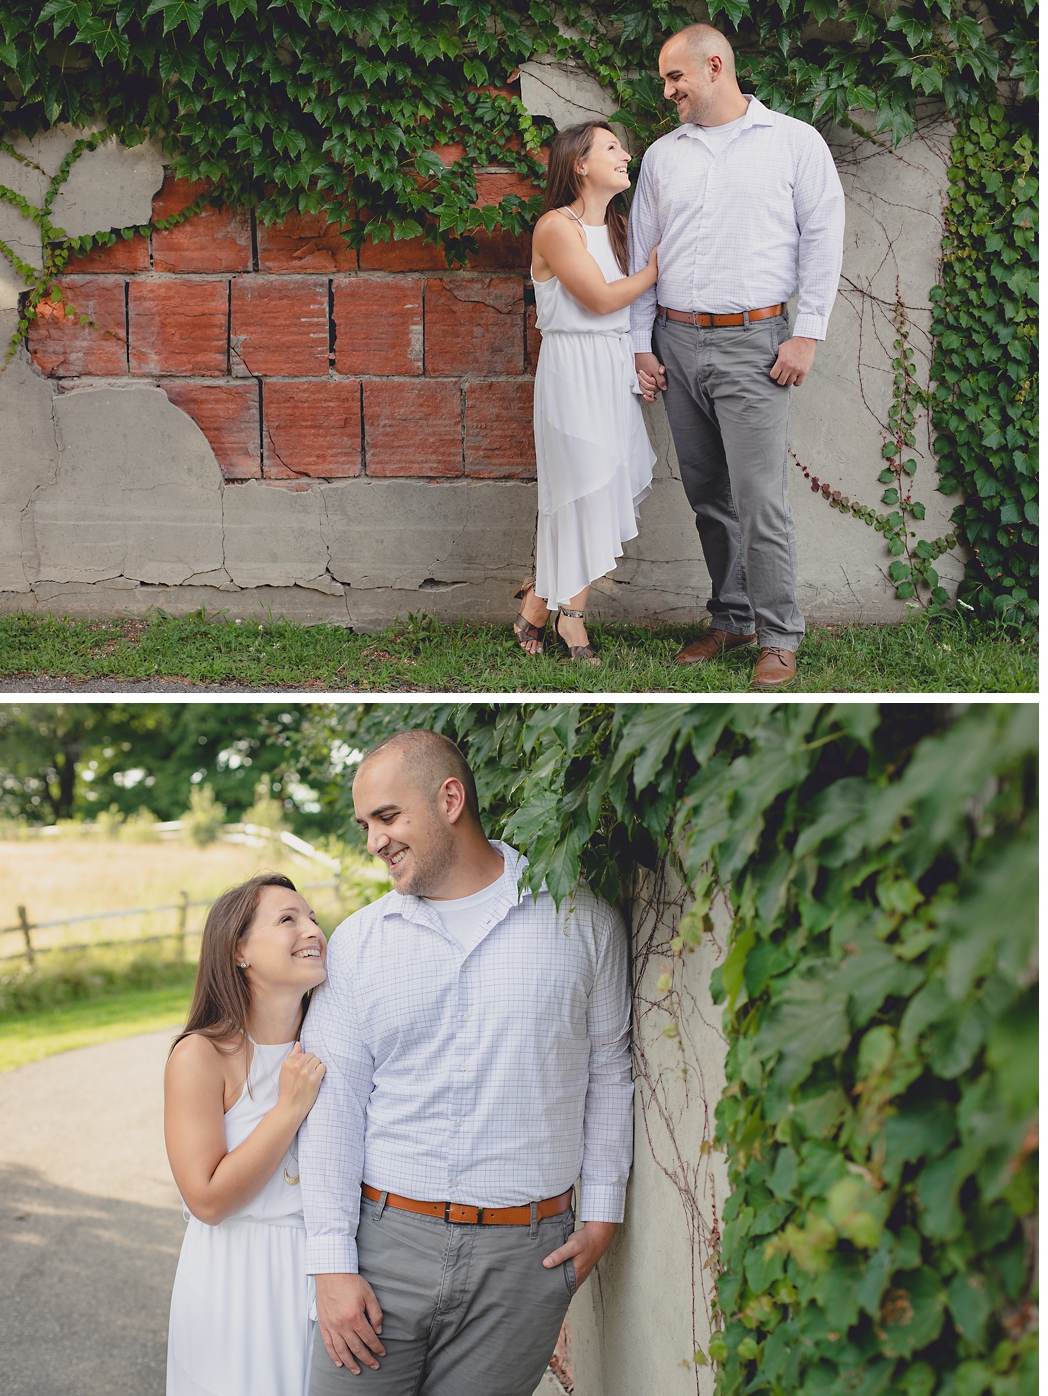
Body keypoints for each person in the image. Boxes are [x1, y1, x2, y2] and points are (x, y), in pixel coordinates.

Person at [300, 730, 632, 1395]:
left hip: (524, 1262)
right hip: (383, 1250)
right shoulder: (361, 944)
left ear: (450, 798)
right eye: (365, 824)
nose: (374, 841)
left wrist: (602, 1215)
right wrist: (332, 1264)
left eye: (388, 818)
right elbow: (332, 1106)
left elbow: (609, 1070)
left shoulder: (582, 922)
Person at [627, 23, 847, 691]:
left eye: (674, 78)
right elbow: (643, 252)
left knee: (760, 500)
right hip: (677, 340)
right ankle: (732, 618)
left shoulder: (793, 143)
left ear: (714, 66)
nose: (666, 91)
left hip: (757, 345)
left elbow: (824, 236)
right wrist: (641, 343)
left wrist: (806, 332)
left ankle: (780, 634)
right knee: (707, 496)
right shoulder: (665, 157)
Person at [163, 874, 329, 1396]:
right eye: (288, 919)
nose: (313, 930)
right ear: (239, 951)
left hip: (323, 1272)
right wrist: (288, 1109)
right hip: (233, 1280)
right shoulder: (201, 1056)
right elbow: (207, 1199)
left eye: (312, 917)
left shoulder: (333, 1042)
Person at [512, 121, 662, 666]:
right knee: (578, 490)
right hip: (572, 370)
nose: (627, 154)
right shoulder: (556, 227)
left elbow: (624, 315)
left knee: (600, 491)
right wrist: (655, 269)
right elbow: (600, 299)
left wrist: (637, 361)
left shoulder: (620, 227)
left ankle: (535, 604)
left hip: (611, 365)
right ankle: (571, 619)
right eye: (613, 148)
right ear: (580, 164)